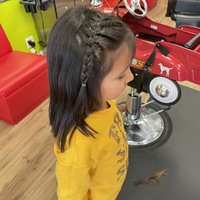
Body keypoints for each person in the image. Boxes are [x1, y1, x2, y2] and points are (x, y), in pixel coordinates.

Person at [47, 6, 136, 200]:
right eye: (121, 75)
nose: (130, 76)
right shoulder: (77, 146)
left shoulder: (103, 101)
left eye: (129, 67)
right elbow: (71, 196)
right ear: (85, 80)